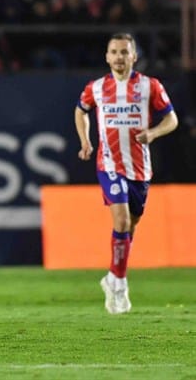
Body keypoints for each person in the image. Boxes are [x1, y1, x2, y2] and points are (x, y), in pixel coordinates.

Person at [74, 32, 178, 314]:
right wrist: (85, 141)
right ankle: (119, 285)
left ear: (133, 56)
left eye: (124, 52)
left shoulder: (149, 86)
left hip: (140, 169)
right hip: (109, 164)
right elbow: (81, 110)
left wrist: (154, 133)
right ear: (107, 57)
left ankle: (112, 275)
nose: (119, 57)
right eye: (114, 52)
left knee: (130, 227)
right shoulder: (96, 88)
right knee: (120, 222)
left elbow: (172, 119)